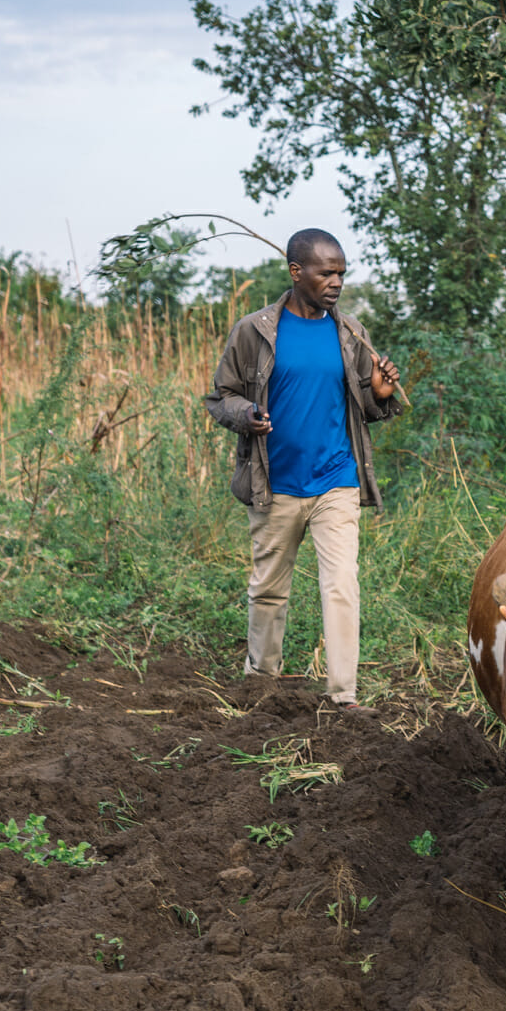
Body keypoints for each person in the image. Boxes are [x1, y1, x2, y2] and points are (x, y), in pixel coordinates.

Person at [203, 228, 402, 712]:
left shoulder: (350, 332)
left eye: (341, 273)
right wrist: (245, 415)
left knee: (341, 586)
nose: (336, 282)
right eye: (326, 272)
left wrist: (380, 395)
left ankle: (343, 697)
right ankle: (261, 683)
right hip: (275, 483)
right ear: (296, 272)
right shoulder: (254, 331)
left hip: (336, 478)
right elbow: (219, 397)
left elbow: (367, 409)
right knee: (269, 589)